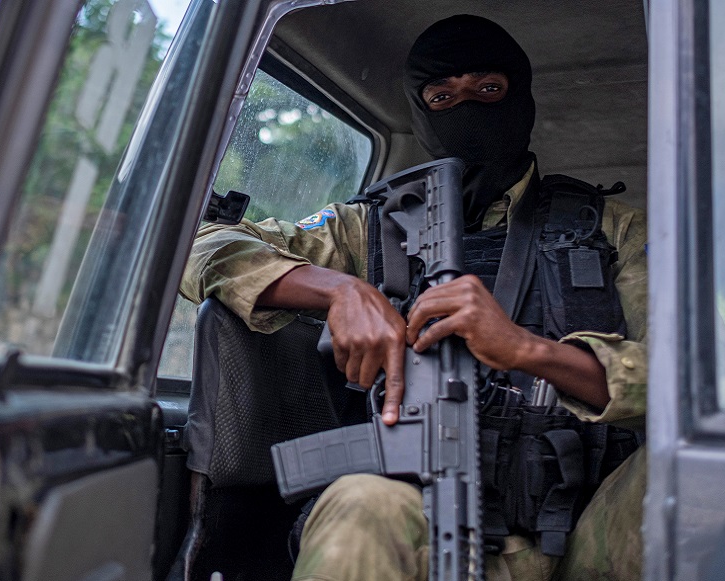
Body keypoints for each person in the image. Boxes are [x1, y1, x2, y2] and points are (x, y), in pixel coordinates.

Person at [180, 14, 648, 581]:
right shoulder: (369, 228)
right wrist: (340, 289)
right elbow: (192, 243)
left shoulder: (614, 232)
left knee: (693, 470)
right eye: (442, 96)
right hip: (421, 513)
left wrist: (530, 351)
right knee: (358, 503)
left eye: (489, 90)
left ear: (520, 99)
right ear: (420, 112)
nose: (468, 108)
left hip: (588, 530)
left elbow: (707, 382)